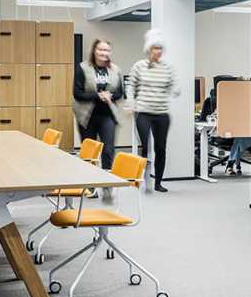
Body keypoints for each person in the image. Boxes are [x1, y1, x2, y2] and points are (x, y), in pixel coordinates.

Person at [127, 30, 177, 192]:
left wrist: (176, 89)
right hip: (143, 112)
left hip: (162, 114)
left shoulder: (167, 68)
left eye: (161, 48)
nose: (158, 51)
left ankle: (158, 183)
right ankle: (144, 179)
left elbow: (172, 85)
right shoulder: (139, 66)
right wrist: (130, 104)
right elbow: (131, 87)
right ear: (149, 49)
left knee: (161, 148)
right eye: (155, 48)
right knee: (145, 146)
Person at [72, 37, 123, 178]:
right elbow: (77, 94)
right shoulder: (83, 67)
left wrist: (110, 96)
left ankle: (107, 183)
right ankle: (90, 184)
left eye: (107, 50)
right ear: (94, 50)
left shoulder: (115, 69)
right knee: (89, 152)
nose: (104, 53)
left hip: (108, 115)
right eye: (101, 49)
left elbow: (120, 93)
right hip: (87, 116)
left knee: (108, 149)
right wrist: (98, 95)